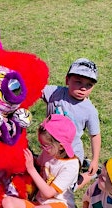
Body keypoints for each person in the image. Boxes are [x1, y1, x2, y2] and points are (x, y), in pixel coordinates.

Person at [2, 114, 80, 208]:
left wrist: (31, 169)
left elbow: (48, 193)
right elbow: (37, 165)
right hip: (39, 204)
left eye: (46, 146)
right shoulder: (49, 152)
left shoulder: (71, 166)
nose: (42, 149)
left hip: (61, 206)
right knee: (6, 201)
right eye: (41, 145)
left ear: (61, 147)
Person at [42, 57, 101, 189]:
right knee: (45, 177)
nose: (83, 88)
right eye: (78, 82)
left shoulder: (89, 111)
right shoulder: (55, 92)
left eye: (89, 85)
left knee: (67, 187)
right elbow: (35, 89)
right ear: (67, 80)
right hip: (50, 148)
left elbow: (95, 135)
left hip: (72, 153)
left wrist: (95, 160)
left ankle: (93, 174)